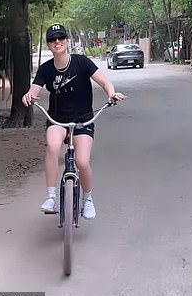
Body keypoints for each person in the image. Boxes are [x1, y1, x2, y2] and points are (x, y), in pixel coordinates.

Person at [22, 24, 126, 219]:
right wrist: (28, 96)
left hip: (84, 121)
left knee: (82, 161)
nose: (57, 42)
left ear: (67, 41)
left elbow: (104, 82)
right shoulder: (46, 69)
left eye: (61, 37)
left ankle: (88, 199)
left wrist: (111, 93)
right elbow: (33, 91)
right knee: (53, 146)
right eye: (53, 39)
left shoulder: (81, 62)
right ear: (49, 44)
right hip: (57, 120)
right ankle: (51, 197)